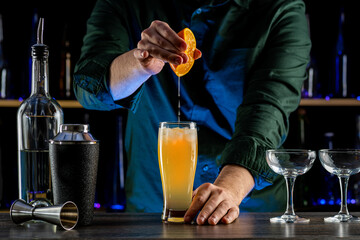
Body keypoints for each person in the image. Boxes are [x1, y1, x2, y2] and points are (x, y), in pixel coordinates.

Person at [74, 0, 311, 225]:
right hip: (153, 211)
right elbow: (89, 87)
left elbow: (268, 110)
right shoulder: (128, 4)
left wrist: (229, 190)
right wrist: (140, 63)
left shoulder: (280, 8)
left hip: (249, 212)